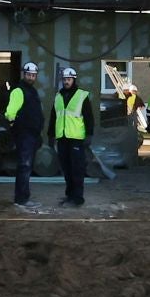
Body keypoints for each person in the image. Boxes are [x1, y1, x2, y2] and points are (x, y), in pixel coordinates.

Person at [47, 66, 97, 208]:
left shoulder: (82, 95)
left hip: (76, 138)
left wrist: (89, 134)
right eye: (64, 79)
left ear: (74, 80)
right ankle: (69, 195)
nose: (66, 82)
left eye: (68, 79)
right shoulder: (58, 96)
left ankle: (78, 198)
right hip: (62, 138)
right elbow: (53, 117)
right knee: (66, 169)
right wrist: (51, 135)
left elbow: (89, 117)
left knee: (77, 169)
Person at [3, 61, 44, 209]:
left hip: (31, 135)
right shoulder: (19, 91)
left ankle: (23, 197)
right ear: (24, 74)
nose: (31, 77)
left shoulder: (32, 91)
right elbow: (10, 113)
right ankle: (21, 199)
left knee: (26, 167)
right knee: (24, 166)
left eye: (33, 75)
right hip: (25, 135)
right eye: (29, 74)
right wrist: (16, 127)